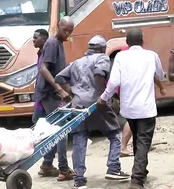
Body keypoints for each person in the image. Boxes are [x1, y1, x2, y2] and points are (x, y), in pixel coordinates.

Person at [55, 35, 130, 188]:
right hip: (97, 103)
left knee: (79, 139)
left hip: (78, 104)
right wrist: (101, 95)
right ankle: (113, 168)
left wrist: (72, 93)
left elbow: (59, 77)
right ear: (102, 49)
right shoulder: (102, 58)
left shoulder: (77, 62)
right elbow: (99, 74)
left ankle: (79, 179)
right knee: (115, 133)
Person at [98, 28, 165, 189]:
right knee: (142, 143)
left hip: (129, 109)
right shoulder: (151, 56)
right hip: (146, 109)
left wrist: (103, 98)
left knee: (138, 140)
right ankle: (136, 180)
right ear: (143, 41)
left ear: (127, 43)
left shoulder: (120, 56)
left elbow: (114, 83)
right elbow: (161, 75)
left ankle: (143, 172)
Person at [34, 16, 75, 181]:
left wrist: (70, 91)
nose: (67, 33)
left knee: (53, 131)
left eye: (70, 31)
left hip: (51, 93)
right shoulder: (51, 43)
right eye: (65, 29)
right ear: (59, 26)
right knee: (61, 130)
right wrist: (59, 89)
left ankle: (47, 165)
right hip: (49, 93)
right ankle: (64, 169)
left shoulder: (59, 44)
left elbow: (60, 72)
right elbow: (44, 69)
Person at [112, 46, 166, 157]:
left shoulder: (123, 54)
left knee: (134, 118)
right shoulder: (139, 54)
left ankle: (138, 145)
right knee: (135, 118)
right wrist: (161, 87)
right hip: (131, 92)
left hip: (124, 90)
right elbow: (152, 75)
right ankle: (126, 146)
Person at [32, 28, 48, 124]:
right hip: (40, 97)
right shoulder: (40, 54)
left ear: (43, 39)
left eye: (35, 38)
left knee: (37, 121)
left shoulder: (46, 55)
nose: (33, 40)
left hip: (45, 96)